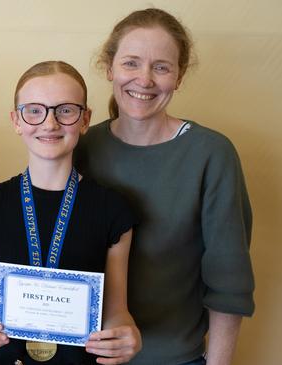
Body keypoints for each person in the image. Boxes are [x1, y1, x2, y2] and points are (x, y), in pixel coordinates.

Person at [74, 8, 254, 365]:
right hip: (83, 356)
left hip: (174, 358)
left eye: (161, 67)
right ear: (109, 68)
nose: (144, 80)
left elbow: (229, 285)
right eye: (131, 63)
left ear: (179, 76)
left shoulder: (211, 154)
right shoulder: (80, 147)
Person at [0, 61, 141, 365]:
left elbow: (115, 310)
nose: (49, 123)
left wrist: (125, 333)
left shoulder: (113, 210)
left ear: (85, 120)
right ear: (16, 120)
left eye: (65, 110)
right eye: (34, 110)